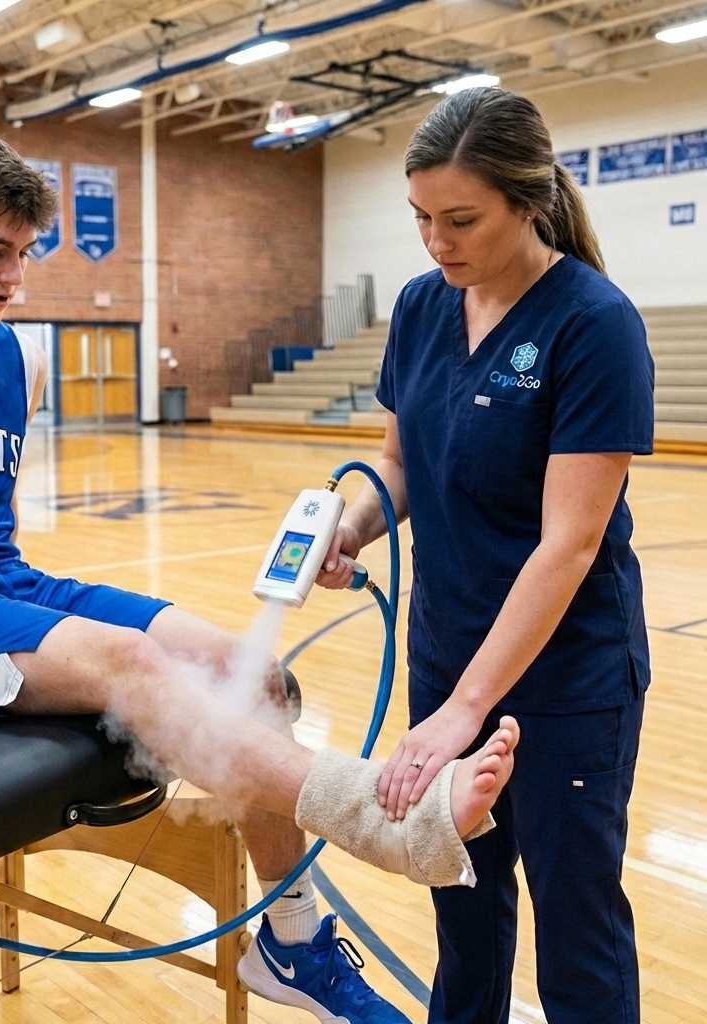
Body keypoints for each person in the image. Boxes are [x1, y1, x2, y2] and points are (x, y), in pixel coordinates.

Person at [0, 130, 518, 1024]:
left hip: (4, 585)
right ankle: (381, 819)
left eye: (24, 254)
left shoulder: (20, 358)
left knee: (257, 674)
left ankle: (290, 937)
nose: (13, 277)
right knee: (130, 661)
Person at [318, 88, 653, 1024]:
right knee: (462, 906)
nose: (436, 243)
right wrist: (349, 529)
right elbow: (398, 463)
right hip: (446, 649)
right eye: (421, 219)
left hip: (567, 680)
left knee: (577, 925)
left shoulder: (594, 325)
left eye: (460, 220)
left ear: (529, 202)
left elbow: (569, 542)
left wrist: (463, 713)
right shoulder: (423, 308)